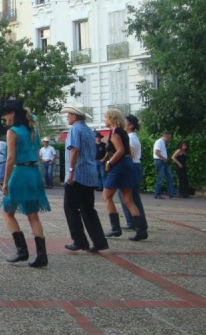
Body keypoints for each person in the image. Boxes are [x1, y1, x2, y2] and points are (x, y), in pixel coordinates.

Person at [0, 100, 50, 267]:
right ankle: (42, 255)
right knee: (33, 215)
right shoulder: (31, 131)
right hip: (34, 173)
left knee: (8, 212)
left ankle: (22, 250)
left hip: (19, 172)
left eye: (6, 113)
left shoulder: (12, 132)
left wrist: (5, 182)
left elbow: (10, 159)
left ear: (13, 113)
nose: (4, 117)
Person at [60, 103, 109, 252]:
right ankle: (99, 241)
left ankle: (79, 240)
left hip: (78, 174)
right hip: (90, 174)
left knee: (71, 208)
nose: (67, 118)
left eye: (68, 115)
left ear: (74, 117)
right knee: (88, 209)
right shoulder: (89, 131)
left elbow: (74, 150)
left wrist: (70, 171)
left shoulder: (75, 130)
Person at [101, 109, 147, 242]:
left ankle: (115, 228)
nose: (104, 120)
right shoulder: (123, 132)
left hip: (119, 166)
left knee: (106, 195)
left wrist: (109, 161)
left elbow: (120, 150)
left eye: (105, 118)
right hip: (127, 164)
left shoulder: (115, 132)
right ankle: (141, 229)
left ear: (111, 119)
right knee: (128, 199)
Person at [117, 115, 149, 232]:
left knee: (131, 196)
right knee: (128, 196)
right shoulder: (131, 137)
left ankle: (138, 223)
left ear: (130, 125)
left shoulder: (130, 138)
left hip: (132, 166)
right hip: (134, 165)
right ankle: (133, 221)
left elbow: (131, 153)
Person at [153, 132, 175, 199]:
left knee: (170, 176)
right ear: (166, 137)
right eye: (169, 138)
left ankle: (171, 193)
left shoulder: (163, 143)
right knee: (160, 178)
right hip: (160, 161)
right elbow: (156, 152)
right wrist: (163, 158)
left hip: (163, 161)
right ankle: (157, 194)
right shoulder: (159, 142)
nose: (169, 140)